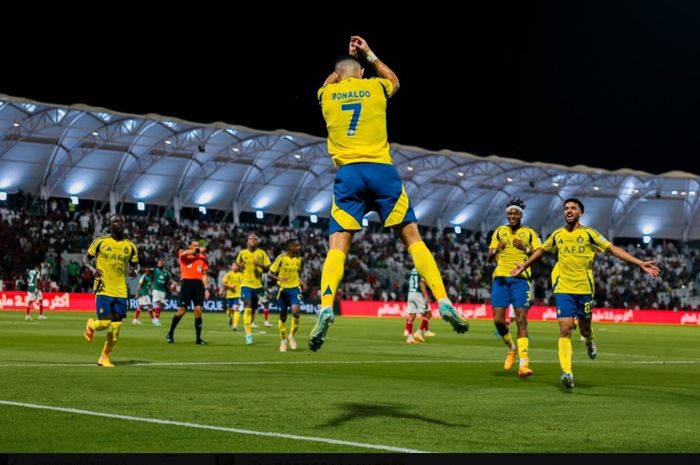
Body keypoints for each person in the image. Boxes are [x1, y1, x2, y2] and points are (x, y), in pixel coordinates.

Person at [310, 35, 469, 351]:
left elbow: (328, 82)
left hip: (349, 174)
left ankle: (326, 304)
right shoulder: (374, 87)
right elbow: (394, 79)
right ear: (362, 75)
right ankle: (443, 299)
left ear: (338, 76)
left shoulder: (327, 95)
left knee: (337, 248)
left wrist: (343, 65)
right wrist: (366, 53)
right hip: (383, 171)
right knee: (413, 240)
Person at [511, 198, 660, 389]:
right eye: (566, 208)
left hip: (584, 289)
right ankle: (567, 373)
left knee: (584, 329)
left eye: (573, 208)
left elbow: (612, 249)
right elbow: (541, 251)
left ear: (581, 212)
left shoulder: (590, 234)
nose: (569, 211)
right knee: (565, 329)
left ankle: (589, 340)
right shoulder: (557, 235)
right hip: (563, 288)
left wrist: (639, 263)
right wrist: (524, 264)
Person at [487, 197, 542, 378]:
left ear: (521, 215)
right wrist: (497, 249)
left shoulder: (530, 233)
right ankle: (511, 347)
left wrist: (526, 249)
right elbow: (488, 256)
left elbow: (540, 253)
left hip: (520, 280)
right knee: (498, 321)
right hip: (500, 279)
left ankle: (524, 364)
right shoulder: (499, 232)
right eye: (509, 212)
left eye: (515, 212)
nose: (512, 215)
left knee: (521, 320)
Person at [82, 214, 139, 367]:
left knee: (116, 328)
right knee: (103, 323)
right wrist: (92, 269)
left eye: (122, 221)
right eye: (116, 221)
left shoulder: (130, 247)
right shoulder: (100, 242)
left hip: (121, 291)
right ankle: (91, 325)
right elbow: (85, 259)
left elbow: (134, 265)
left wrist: (133, 271)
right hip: (103, 288)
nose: (120, 224)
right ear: (110, 225)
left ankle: (104, 357)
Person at [166, 240, 210, 345]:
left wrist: (207, 288)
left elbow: (204, 274)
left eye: (197, 246)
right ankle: (170, 333)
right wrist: (198, 250)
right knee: (182, 311)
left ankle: (198, 339)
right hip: (187, 283)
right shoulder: (184, 253)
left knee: (198, 311)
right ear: (190, 246)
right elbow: (185, 253)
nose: (196, 247)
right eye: (194, 246)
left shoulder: (203, 258)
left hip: (198, 284)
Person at [268, 239, 306, 352]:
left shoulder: (300, 260)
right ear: (290, 247)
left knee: (296, 312)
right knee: (283, 316)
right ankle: (283, 340)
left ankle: (292, 336)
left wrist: (302, 282)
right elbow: (270, 274)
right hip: (283, 290)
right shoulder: (281, 258)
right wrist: (278, 278)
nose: (299, 248)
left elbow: (299, 273)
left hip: (295, 289)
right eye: (296, 246)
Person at [236, 233, 271, 345]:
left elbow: (269, 268)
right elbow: (238, 264)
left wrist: (259, 265)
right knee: (247, 307)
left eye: (254, 239)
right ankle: (248, 335)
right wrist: (240, 266)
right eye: (251, 239)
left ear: (257, 241)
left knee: (254, 310)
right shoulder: (242, 253)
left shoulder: (262, 253)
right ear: (247, 241)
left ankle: (249, 326)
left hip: (258, 286)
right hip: (246, 284)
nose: (252, 240)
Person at [404, 267, 433, 344]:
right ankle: (419, 332)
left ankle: (409, 337)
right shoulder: (421, 269)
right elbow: (421, 283)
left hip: (410, 294)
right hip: (417, 294)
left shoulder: (413, 269)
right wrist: (426, 296)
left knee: (412, 316)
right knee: (428, 314)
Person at [221, 262, 243, 331]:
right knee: (229, 310)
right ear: (231, 266)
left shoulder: (240, 275)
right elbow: (223, 283)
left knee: (236, 309)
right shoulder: (228, 274)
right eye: (234, 265)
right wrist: (230, 286)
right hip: (229, 295)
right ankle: (230, 317)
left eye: (236, 265)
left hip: (238, 294)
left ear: (238, 267)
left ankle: (235, 325)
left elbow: (243, 282)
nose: (235, 266)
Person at [150, 259, 170, 327]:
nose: (160, 264)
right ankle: (156, 319)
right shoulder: (155, 270)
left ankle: (155, 319)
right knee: (158, 303)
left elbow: (167, 282)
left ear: (163, 264)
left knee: (160, 305)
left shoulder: (166, 273)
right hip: (156, 289)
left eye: (161, 263)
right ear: (158, 264)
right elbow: (151, 277)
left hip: (163, 290)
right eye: (159, 263)